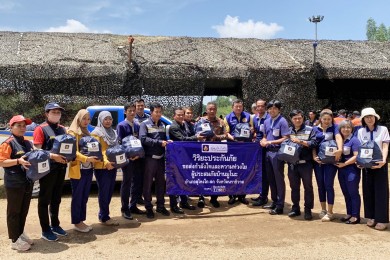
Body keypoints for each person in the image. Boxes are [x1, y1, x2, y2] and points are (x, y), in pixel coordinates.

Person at [33, 102, 68, 241]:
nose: (56, 115)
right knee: (44, 199)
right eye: (53, 112)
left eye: (58, 112)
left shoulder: (62, 129)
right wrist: (53, 156)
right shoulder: (40, 129)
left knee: (56, 198)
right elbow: (37, 150)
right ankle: (45, 229)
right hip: (47, 169)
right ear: (46, 114)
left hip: (61, 168)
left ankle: (55, 225)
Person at [0, 115, 34, 251]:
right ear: (11, 127)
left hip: (27, 181)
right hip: (14, 182)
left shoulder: (27, 142)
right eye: (18, 125)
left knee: (23, 210)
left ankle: (20, 233)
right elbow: (2, 161)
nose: (22, 128)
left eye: (24, 126)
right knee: (14, 211)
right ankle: (14, 240)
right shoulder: (7, 143)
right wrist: (18, 161)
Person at [67, 109, 100, 232]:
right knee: (77, 196)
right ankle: (76, 222)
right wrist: (86, 158)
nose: (86, 121)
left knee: (84, 196)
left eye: (88, 119)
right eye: (83, 118)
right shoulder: (72, 132)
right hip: (78, 169)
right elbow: (72, 152)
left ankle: (81, 220)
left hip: (88, 168)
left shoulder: (87, 132)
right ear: (78, 119)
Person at [357, 107, 389, 231]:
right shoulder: (360, 131)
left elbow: (385, 146)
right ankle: (371, 216)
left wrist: (384, 160)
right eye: (366, 117)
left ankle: (382, 219)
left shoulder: (383, 129)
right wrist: (359, 162)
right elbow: (360, 148)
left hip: (380, 163)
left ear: (375, 117)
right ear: (363, 119)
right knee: (368, 190)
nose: (369, 119)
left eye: (371, 116)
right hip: (366, 165)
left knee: (381, 191)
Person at [139, 102, 172, 219]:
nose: (158, 114)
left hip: (160, 159)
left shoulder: (163, 125)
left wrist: (169, 142)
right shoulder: (144, 124)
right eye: (156, 112)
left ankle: (160, 206)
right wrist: (159, 143)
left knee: (160, 184)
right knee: (147, 184)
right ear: (151, 112)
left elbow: (164, 140)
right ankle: (148, 207)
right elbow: (143, 139)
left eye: (160, 112)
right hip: (149, 159)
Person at [196, 101, 230, 208]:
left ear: (216, 110)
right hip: (202, 153)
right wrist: (200, 136)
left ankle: (214, 198)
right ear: (206, 110)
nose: (211, 111)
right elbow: (195, 134)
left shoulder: (221, 122)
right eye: (209, 109)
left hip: (216, 153)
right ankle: (201, 197)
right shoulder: (200, 121)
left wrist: (216, 136)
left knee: (216, 176)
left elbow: (226, 135)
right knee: (202, 175)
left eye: (213, 109)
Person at [168, 107, 202, 213]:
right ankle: (173, 205)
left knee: (183, 180)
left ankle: (184, 202)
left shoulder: (184, 125)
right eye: (178, 115)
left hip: (184, 157)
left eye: (182, 114)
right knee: (174, 181)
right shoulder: (173, 127)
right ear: (174, 116)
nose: (181, 116)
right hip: (176, 158)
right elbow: (182, 139)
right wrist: (196, 137)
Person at [312, 108, 343, 222]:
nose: (326, 121)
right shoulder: (315, 129)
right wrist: (314, 156)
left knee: (328, 185)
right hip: (319, 162)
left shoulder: (334, 128)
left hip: (330, 162)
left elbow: (339, 138)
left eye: (329, 119)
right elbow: (313, 144)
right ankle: (323, 209)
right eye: (324, 119)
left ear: (332, 119)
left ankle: (330, 212)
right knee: (320, 185)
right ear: (320, 119)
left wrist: (340, 149)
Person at [260, 100, 290, 215]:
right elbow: (265, 135)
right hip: (268, 152)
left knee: (278, 179)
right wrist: (263, 140)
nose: (272, 110)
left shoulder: (282, 121)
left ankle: (280, 205)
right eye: (270, 108)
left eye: (275, 108)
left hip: (277, 152)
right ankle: (274, 201)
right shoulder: (267, 121)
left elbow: (285, 138)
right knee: (271, 178)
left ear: (279, 110)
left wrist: (270, 141)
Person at [286, 110, 317, 220]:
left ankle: (308, 210)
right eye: (295, 118)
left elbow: (314, 143)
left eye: (299, 118)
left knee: (308, 187)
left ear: (303, 118)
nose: (297, 120)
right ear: (291, 119)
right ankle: (295, 208)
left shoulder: (310, 129)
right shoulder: (289, 131)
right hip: (292, 164)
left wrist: (301, 142)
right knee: (294, 187)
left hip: (306, 164)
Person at [117, 103, 146, 220]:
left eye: (133, 111)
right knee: (127, 183)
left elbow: (138, 141)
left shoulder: (137, 125)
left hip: (137, 158)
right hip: (128, 160)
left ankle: (133, 205)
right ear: (125, 112)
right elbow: (120, 143)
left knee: (137, 182)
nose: (132, 113)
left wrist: (138, 155)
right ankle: (125, 208)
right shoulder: (121, 125)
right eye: (130, 111)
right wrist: (128, 156)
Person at [91, 111, 119, 226]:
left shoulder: (113, 132)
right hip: (102, 167)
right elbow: (98, 151)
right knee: (104, 191)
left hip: (112, 165)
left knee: (109, 191)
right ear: (101, 120)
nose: (108, 121)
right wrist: (106, 162)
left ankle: (103, 214)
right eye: (105, 119)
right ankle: (104, 216)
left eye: (110, 119)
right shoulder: (96, 133)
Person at [224, 99, 252, 205]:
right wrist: (235, 139)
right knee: (232, 172)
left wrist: (250, 133)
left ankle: (242, 195)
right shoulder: (227, 118)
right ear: (233, 107)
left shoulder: (249, 117)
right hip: (233, 148)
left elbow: (252, 129)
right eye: (236, 106)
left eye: (240, 106)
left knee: (244, 171)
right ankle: (232, 195)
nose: (239, 108)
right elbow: (226, 133)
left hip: (245, 148)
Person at [335, 120, 361, 224]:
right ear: (340, 129)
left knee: (353, 193)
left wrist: (344, 164)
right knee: (346, 193)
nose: (346, 129)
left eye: (348, 127)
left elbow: (356, 156)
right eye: (343, 127)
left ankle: (355, 216)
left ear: (352, 129)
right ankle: (349, 213)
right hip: (341, 170)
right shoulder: (340, 140)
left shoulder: (354, 140)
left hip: (351, 170)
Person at [252, 99, 271, 207]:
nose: (259, 108)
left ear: (265, 107)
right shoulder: (255, 118)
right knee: (259, 172)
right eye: (257, 106)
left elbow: (269, 134)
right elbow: (256, 132)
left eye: (261, 106)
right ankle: (261, 194)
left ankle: (264, 197)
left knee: (265, 173)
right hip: (258, 148)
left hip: (267, 148)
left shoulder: (269, 118)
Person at [134, 98, 149, 205]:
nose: (140, 107)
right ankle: (135, 198)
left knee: (144, 176)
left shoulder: (148, 118)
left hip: (146, 150)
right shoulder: (131, 118)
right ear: (135, 107)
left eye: (142, 105)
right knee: (136, 177)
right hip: (135, 151)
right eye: (138, 105)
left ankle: (141, 197)